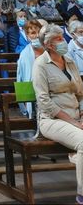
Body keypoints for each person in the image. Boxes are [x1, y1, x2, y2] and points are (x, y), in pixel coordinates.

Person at [31, 24, 83, 204]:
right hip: (52, 120)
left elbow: (80, 93)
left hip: (76, 116)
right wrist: (73, 122)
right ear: (49, 45)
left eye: (63, 37)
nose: (64, 41)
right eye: (60, 39)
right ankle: (82, 194)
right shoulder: (40, 65)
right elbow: (44, 101)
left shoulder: (69, 61)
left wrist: (82, 115)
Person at [16, 19, 44, 118]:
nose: (36, 36)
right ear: (27, 37)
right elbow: (22, 79)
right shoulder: (24, 54)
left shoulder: (49, 50)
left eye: (38, 32)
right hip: (34, 92)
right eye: (32, 33)